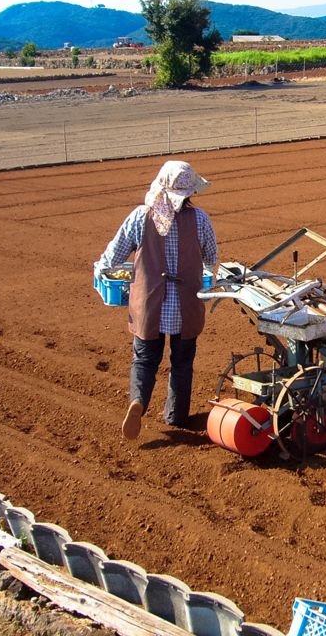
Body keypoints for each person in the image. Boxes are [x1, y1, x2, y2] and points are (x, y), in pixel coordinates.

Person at [97, 160, 218, 440]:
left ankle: (138, 401)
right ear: (189, 194)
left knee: (144, 359)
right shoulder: (200, 219)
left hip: (148, 306)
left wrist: (102, 268)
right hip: (186, 306)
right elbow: (211, 257)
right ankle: (176, 415)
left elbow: (112, 258)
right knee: (182, 362)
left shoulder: (140, 217)